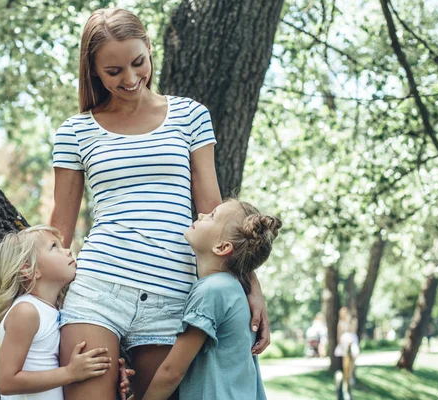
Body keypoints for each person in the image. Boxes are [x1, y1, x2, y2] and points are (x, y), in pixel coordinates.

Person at [50, 7, 271, 400]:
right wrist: (32, 305)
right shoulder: (75, 132)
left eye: (138, 63)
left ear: (150, 49)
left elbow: (215, 211)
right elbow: (59, 230)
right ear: (94, 71)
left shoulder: (190, 115)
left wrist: (250, 284)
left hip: (174, 298)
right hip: (97, 291)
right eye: (114, 71)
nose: (131, 79)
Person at [141, 200, 280, 400]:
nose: (201, 215)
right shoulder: (234, 289)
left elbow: (172, 372)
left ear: (222, 247)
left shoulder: (211, 291)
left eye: (212, 216)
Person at [0, 225, 133, 399]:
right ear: (29, 270)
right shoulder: (26, 311)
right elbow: (6, 382)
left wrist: (106, 378)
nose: (67, 251)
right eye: (54, 246)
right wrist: (70, 372)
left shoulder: (55, 311)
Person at [334, 306, 360, 396]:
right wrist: (340, 344)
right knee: (346, 361)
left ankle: (350, 375)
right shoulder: (340, 323)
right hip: (344, 342)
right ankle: (346, 377)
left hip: (352, 341)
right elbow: (339, 335)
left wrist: (350, 321)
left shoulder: (353, 321)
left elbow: (353, 330)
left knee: (353, 355)